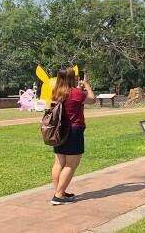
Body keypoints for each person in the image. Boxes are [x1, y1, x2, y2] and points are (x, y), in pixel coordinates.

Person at [50, 67, 95, 205]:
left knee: (59, 162)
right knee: (71, 164)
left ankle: (59, 191)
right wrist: (87, 86)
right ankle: (58, 195)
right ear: (71, 78)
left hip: (59, 131)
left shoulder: (56, 92)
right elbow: (92, 100)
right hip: (74, 130)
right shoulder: (77, 93)